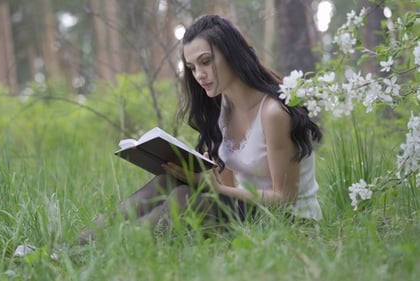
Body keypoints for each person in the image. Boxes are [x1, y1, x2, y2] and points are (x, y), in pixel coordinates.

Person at [77, 14, 323, 245]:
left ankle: (110, 250)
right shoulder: (222, 105)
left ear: (232, 54)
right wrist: (208, 176)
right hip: (249, 210)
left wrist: (217, 189)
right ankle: (73, 247)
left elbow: (285, 198)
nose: (199, 75)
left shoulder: (273, 113)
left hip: (291, 222)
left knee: (184, 198)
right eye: (192, 67)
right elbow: (227, 188)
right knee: (167, 181)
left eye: (205, 62)